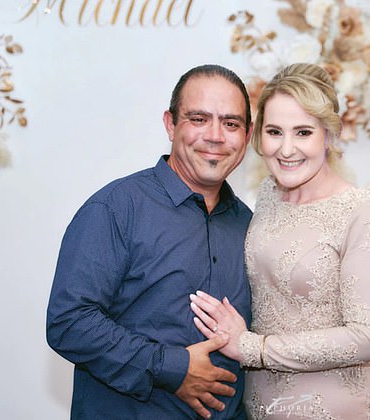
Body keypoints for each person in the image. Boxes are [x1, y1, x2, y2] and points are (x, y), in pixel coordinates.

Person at [189, 63, 370, 419]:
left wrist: (253, 348)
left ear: (328, 135)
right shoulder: (268, 196)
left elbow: (366, 338)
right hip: (259, 405)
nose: (286, 149)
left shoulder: (361, 210)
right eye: (274, 132)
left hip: (331, 405)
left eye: (303, 132)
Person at [46, 64, 253, 419]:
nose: (216, 136)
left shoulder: (250, 225)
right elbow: (69, 321)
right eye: (199, 119)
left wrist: (335, 348)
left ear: (247, 136)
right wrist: (173, 368)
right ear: (170, 124)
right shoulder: (116, 208)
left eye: (231, 123)